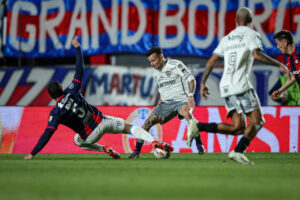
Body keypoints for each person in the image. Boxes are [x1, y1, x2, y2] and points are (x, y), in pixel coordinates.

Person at [24, 36, 173, 160]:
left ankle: (104, 148)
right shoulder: (72, 91)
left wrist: (32, 153)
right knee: (131, 128)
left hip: (90, 136)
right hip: (102, 121)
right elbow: (79, 70)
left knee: (78, 141)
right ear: (62, 89)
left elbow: (47, 133)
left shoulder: (55, 113)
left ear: (52, 97)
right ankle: (154, 141)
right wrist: (77, 48)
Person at [189, 7, 292, 164]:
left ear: (236, 21)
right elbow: (256, 54)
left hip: (226, 87)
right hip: (241, 85)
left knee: (238, 128)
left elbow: (211, 61)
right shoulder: (252, 35)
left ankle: (198, 125)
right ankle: (238, 151)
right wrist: (278, 64)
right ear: (251, 21)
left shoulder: (227, 38)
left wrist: (203, 82)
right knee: (258, 121)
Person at [128, 46, 205, 158]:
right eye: (150, 62)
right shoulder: (156, 73)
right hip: (166, 104)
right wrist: (158, 107)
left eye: (154, 60)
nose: (152, 64)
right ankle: (136, 152)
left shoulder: (175, 65)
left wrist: (190, 96)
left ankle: (199, 143)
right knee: (147, 123)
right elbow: (162, 92)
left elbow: (191, 79)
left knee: (187, 114)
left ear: (161, 57)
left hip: (182, 100)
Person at [271, 30, 299, 100]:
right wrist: (279, 91)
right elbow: (293, 77)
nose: (277, 47)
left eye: (278, 44)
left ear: (285, 42)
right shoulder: (287, 58)